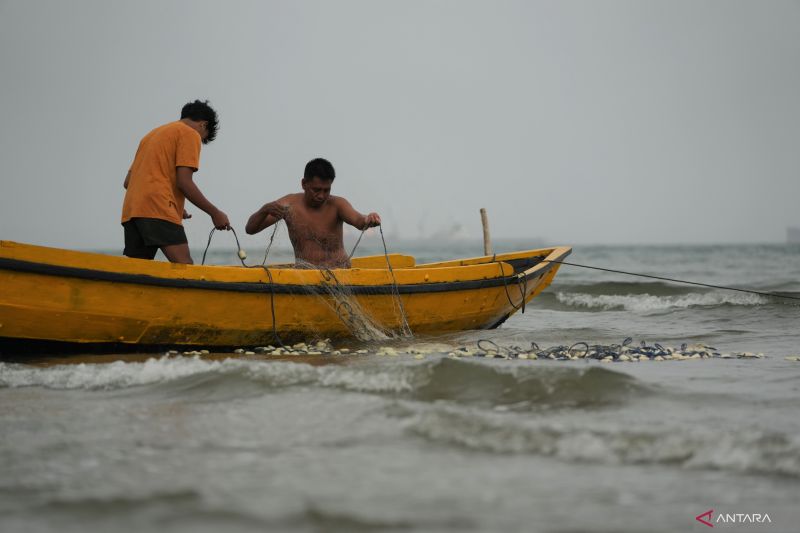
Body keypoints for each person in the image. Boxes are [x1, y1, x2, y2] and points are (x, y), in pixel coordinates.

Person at [121, 100, 230, 264]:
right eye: (202, 139)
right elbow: (184, 182)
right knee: (184, 266)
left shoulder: (151, 135)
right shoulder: (189, 133)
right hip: (157, 208)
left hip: (132, 210)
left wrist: (173, 203)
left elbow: (128, 182)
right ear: (203, 125)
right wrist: (215, 213)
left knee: (138, 272)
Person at [246, 158, 380, 268]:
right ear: (304, 184)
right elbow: (251, 229)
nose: (321, 196)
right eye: (316, 190)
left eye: (326, 190)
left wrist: (369, 218)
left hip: (341, 274)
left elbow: (359, 221)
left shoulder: (337, 204)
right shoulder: (289, 205)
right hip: (306, 276)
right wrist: (264, 209)